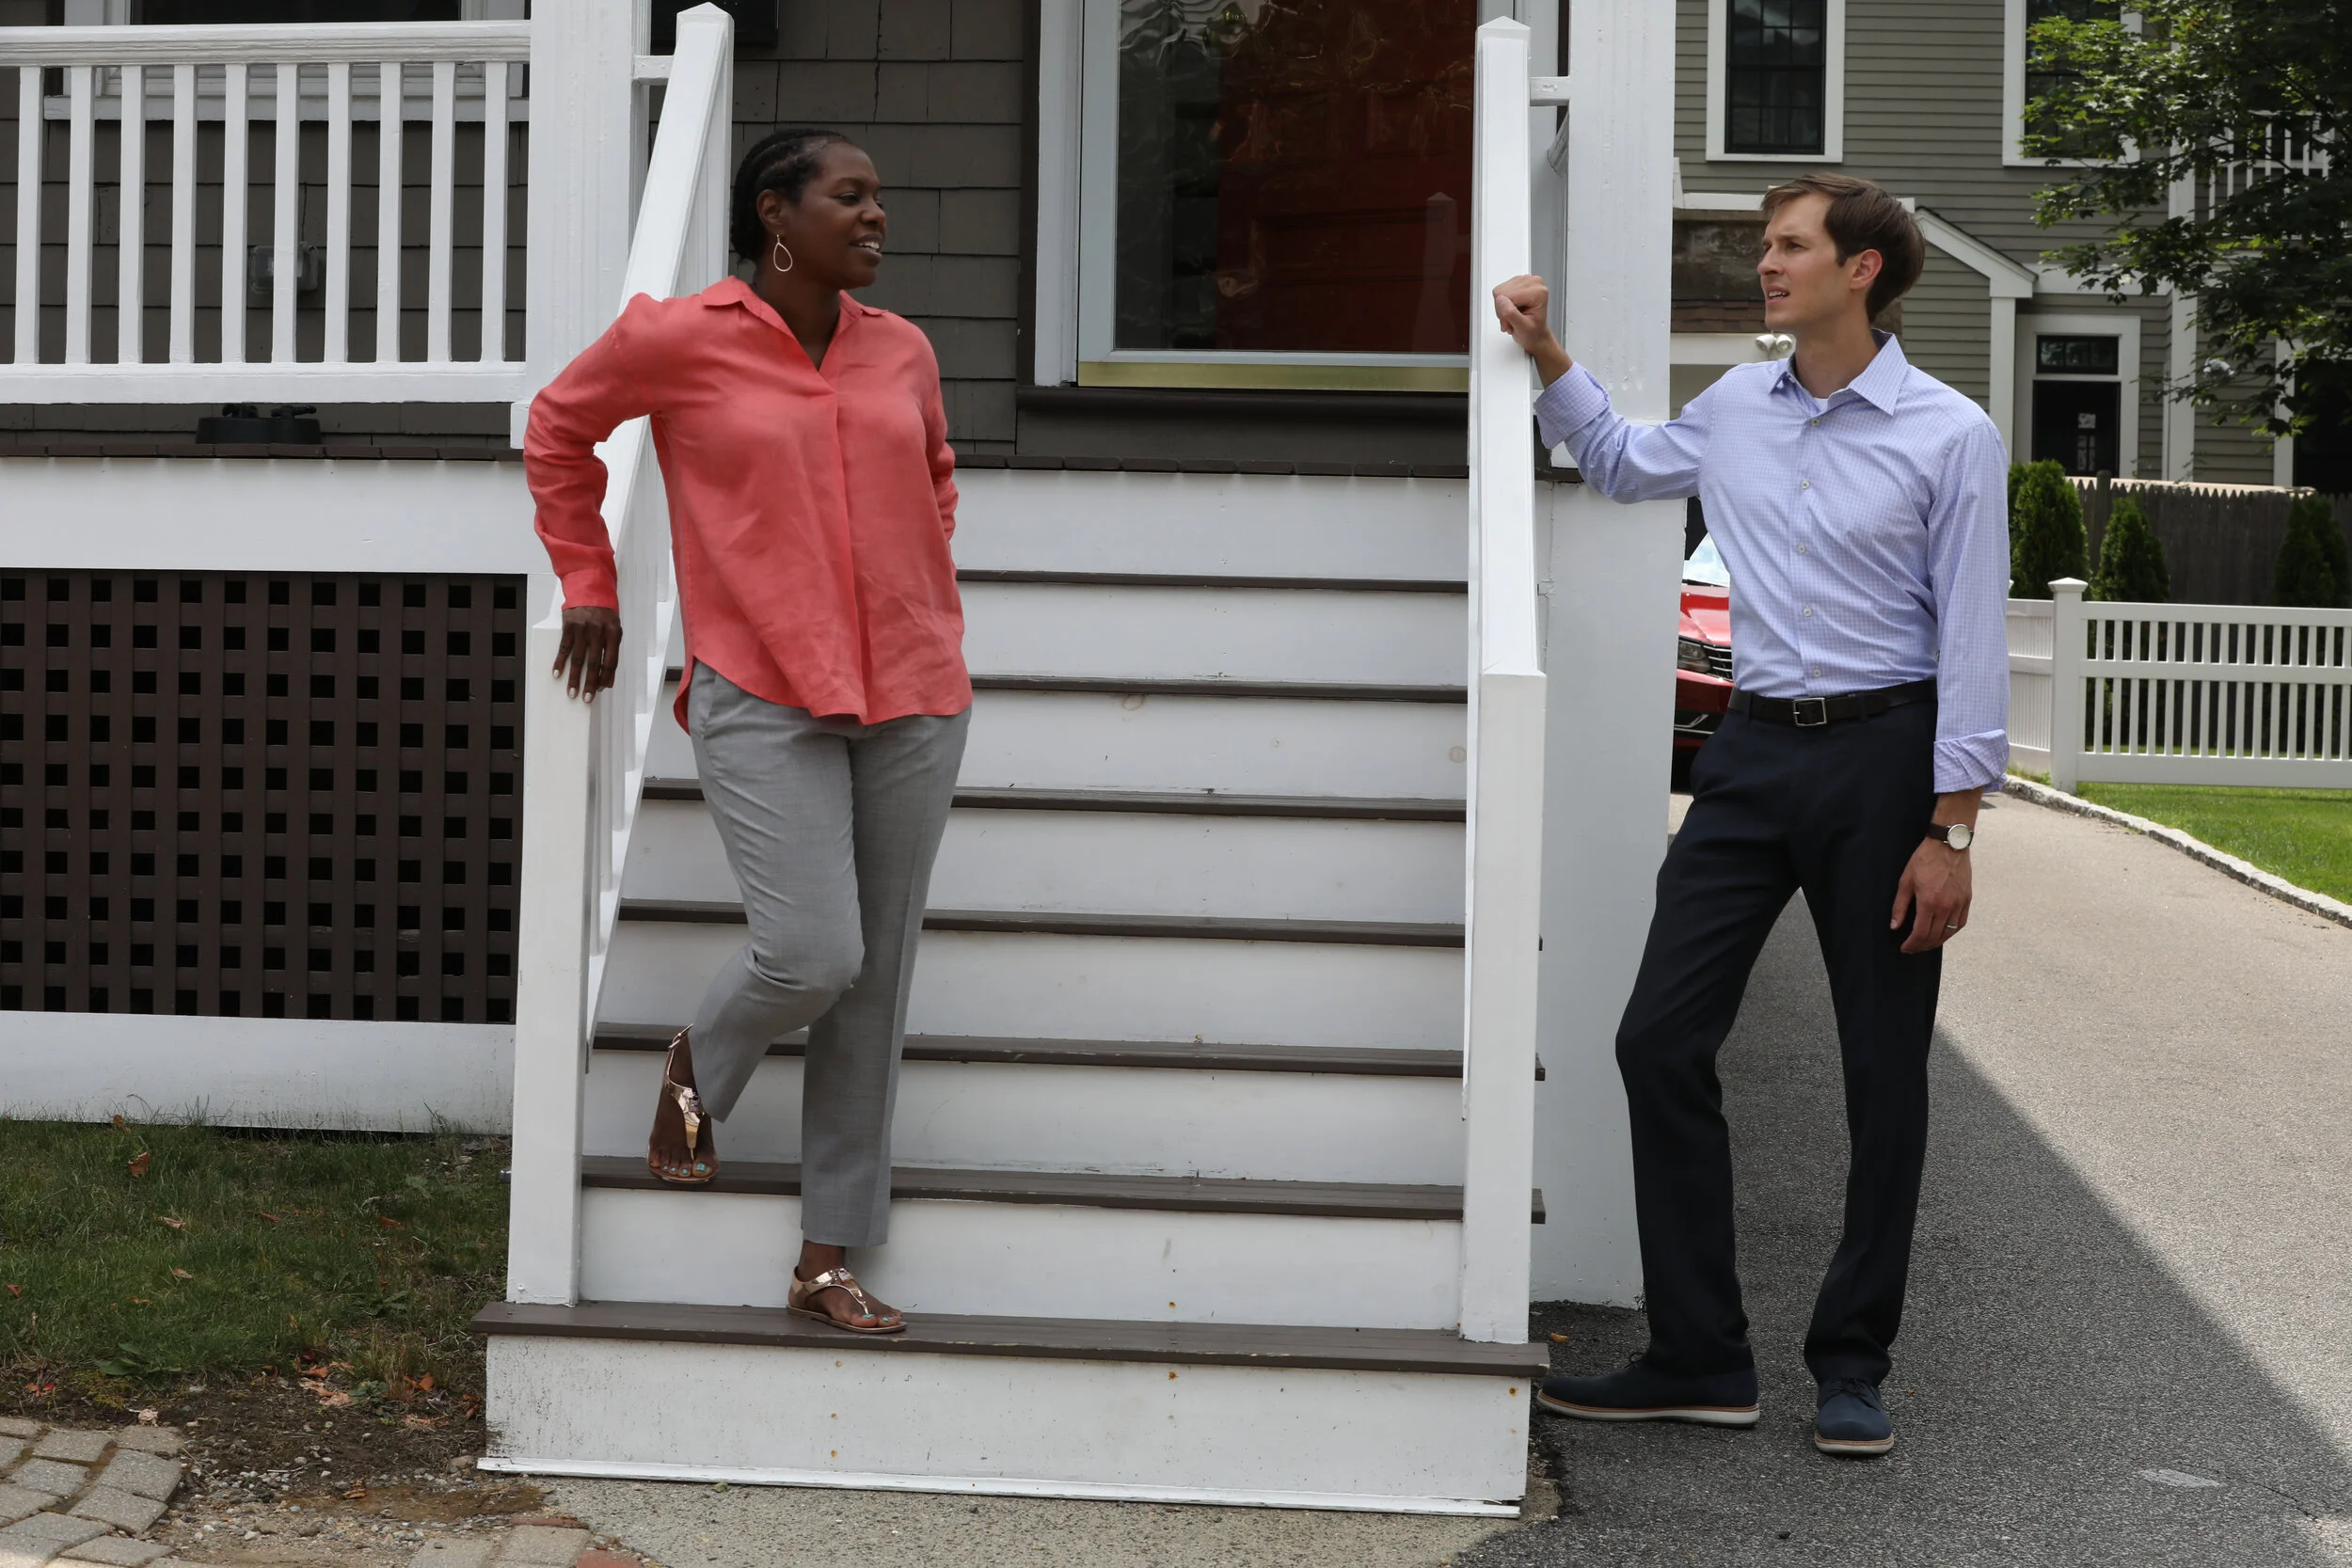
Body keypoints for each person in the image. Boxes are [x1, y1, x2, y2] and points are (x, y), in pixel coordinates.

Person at [1492, 173, 2010, 1456]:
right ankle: (1700, 1352)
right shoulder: (1734, 405)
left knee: (1882, 1072)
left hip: (1886, 762)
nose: (1766, 263)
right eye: (1766, 245)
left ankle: (1852, 1362)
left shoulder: (1950, 434)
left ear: (1861, 270)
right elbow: (1620, 463)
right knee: (1659, 1037)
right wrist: (1546, 351)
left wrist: (1950, 830)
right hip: (1751, 753)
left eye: (1789, 245)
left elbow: (1973, 637)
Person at [525, 127, 968, 1338]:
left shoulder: (903, 349)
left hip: (915, 692)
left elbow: (935, 477)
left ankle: (825, 1256)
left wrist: (921, 590)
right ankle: (699, 1062)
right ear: (777, 213)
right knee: (814, 955)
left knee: (875, 983)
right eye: (849, 196)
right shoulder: (676, 338)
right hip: (761, 689)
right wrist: (590, 581)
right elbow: (557, 428)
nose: (876, 217)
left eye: (879, 198)